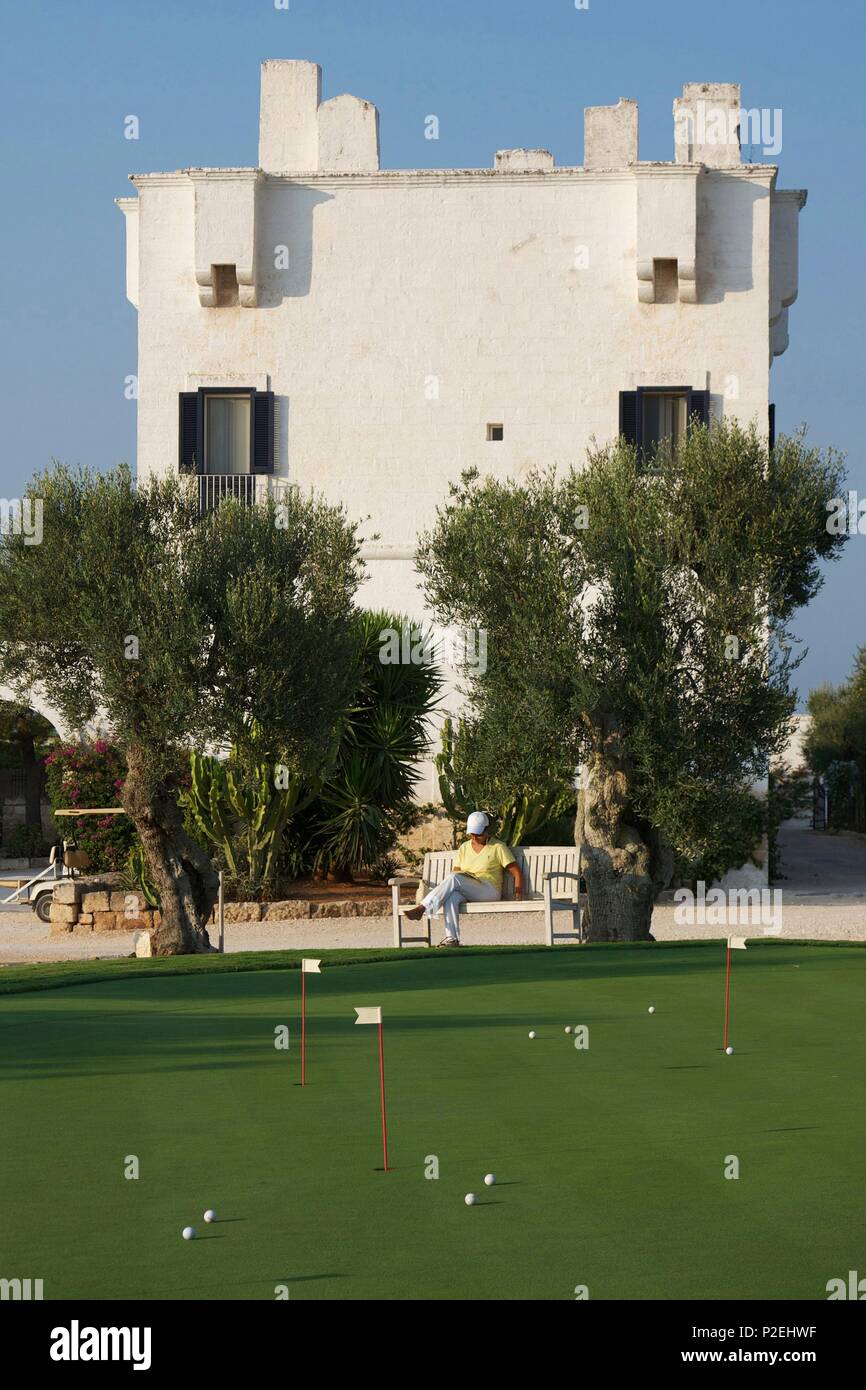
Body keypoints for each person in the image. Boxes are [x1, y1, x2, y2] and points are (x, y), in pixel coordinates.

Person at [403, 811, 523, 947]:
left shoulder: (498, 847)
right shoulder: (464, 847)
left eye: (478, 834)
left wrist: (518, 894)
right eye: (472, 834)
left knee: (454, 878)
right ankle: (451, 939)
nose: (475, 837)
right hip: (469, 887)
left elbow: (516, 871)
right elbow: (456, 873)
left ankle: (423, 908)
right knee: (452, 896)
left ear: (487, 830)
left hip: (489, 890)